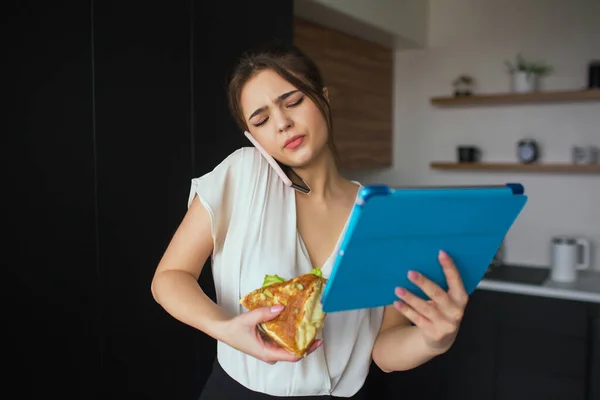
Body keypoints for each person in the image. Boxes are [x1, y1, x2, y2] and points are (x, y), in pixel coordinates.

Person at [150, 40, 469, 399]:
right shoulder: (243, 175)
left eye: (294, 101)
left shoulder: (381, 216)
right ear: (252, 136)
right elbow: (169, 279)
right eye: (262, 119)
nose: (283, 123)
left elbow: (383, 350)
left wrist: (434, 338)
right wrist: (225, 328)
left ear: (323, 98)